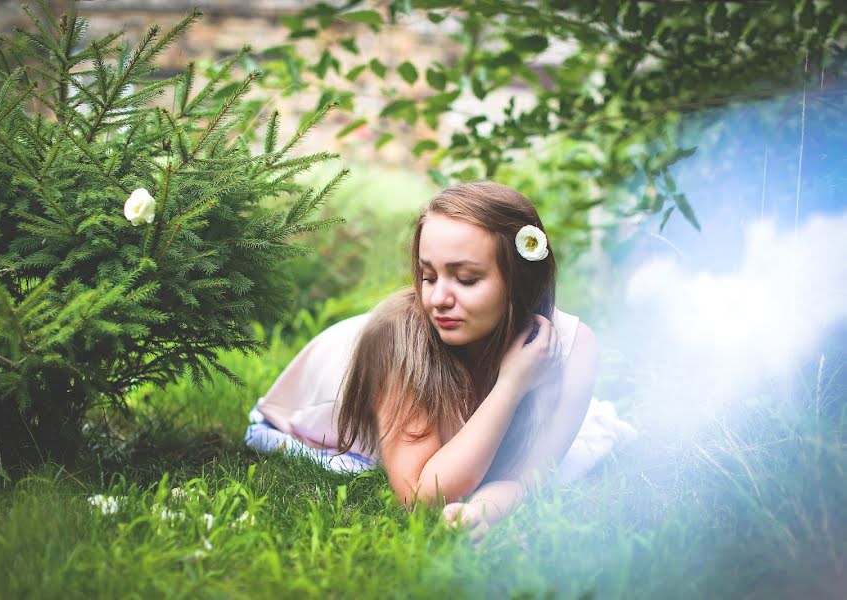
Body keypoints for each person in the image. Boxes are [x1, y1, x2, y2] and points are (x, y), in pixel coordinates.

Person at [245, 181, 635, 540]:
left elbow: (526, 476)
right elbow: (421, 497)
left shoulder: (573, 347)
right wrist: (512, 385)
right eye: (428, 276)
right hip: (330, 385)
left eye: (466, 279)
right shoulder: (399, 339)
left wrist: (482, 510)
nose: (438, 299)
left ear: (521, 281)